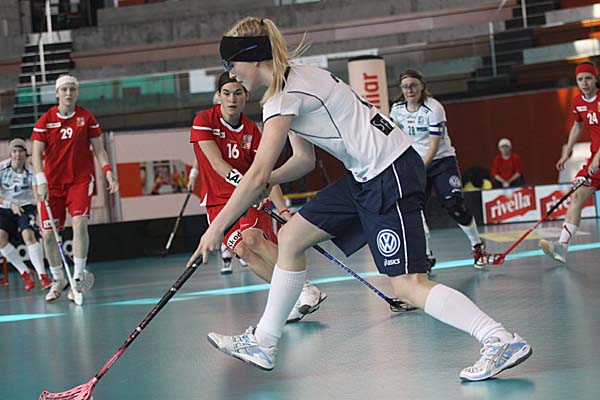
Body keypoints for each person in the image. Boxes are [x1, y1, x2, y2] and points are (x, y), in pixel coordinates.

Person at [188, 17, 531, 381]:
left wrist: (217, 227)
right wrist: (268, 181)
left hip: (390, 171)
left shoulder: (283, 96)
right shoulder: (298, 79)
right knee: (291, 237)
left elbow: (257, 172)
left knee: (408, 285)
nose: (231, 74)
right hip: (365, 175)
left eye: (231, 64)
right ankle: (264, 342)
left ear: (253, 57)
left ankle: (499, 339)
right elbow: (302, 160)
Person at [188, 71, 325, 321]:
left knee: (252, 239)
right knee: (243, 251)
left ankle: (306, 289)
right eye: (226, 93)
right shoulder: (203, 120)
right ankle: (294, 296)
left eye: (238, 93)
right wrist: (249, 186)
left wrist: (283, 210)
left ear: (246, 96)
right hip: (218, 202)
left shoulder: (253, 130)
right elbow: (217, 165)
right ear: (218, 96)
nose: (232, 99)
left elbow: (265, 175)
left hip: (249, 198)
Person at [31, 75, 119, 302]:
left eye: (72, 89)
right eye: (64, 90)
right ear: (57, 94)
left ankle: (78, 277)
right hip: (51, 185)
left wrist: (108, 171)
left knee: (80, 224)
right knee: (48, 234)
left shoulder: (86, 118)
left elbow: (99, 149)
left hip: (79, 181)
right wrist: (41, 180)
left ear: (77, 92)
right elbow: (36, 154)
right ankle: (59, 279)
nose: (68, 93)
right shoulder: (45, 120)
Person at [390, 69, 486, 270]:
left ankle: (477, 246)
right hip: (416, 163)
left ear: (422, 86)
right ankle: (426, 255)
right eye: (405, 87)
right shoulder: (397, 109)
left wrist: (419, 169)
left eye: (413, 85)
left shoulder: (434, 108)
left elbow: (433, 145)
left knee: (455, 205)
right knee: (414, 210)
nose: (409, 90)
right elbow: (395, 138)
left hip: (442, 161)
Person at [540, 61, 600, 263]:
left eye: (588, 78)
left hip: (598, 158)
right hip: (596, 158)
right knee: (577, 196)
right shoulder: (577, 102)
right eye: (580, 79)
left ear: (596, 79)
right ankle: (562, 247)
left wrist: (597, 159)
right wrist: (567, 153)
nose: (584, 83)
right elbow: (577, 125)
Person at [0, 138, 51, 292]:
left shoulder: (32, 171)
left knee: (28, 236)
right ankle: (25, 272)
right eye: (14, 151)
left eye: (21, 151)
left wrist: (41, 218)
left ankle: (42, 276)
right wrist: (10, 204)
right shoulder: (2, 168)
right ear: (10, 153)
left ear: (25, 153)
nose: (18, 155)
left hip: (26, 207)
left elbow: (37, 195)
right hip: (5, 207)